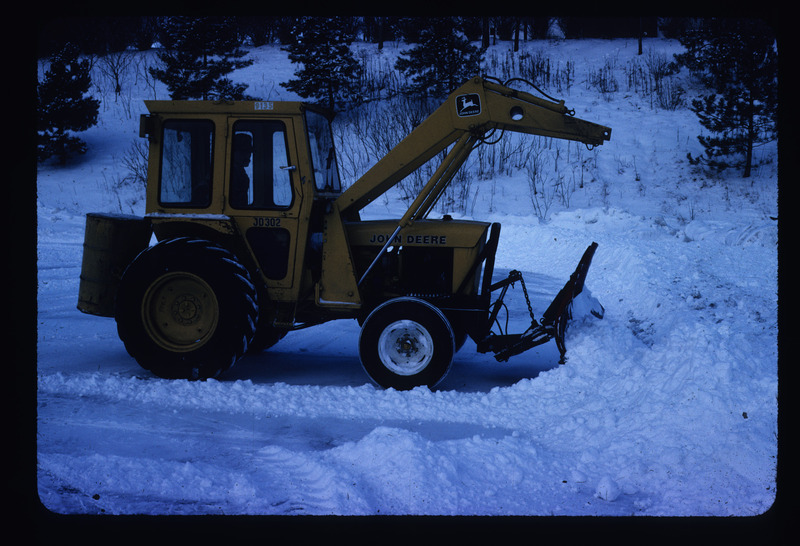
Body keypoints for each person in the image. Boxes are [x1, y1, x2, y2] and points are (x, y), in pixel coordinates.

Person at [230, 133, 253, 207]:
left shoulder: (240, 172)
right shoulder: (228, 174)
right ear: (234, 153)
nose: (248, 156)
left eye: (249, 152)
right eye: (243, 152)